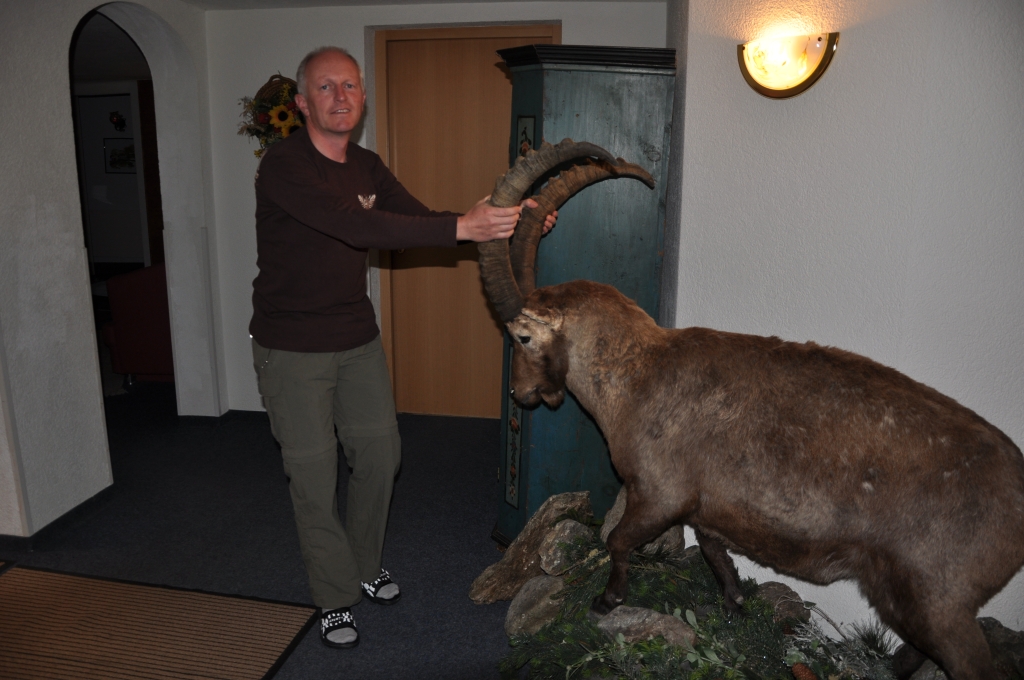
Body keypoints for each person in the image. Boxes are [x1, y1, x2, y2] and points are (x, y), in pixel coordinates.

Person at [250, 46, 555, 649]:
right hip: (291, 349)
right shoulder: (284, 166)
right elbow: (358, 227)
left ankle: (362, 566)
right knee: (313, 476)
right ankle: (334, 595)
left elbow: (416, 221)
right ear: (304, 103)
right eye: (327, 87)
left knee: (381, 455)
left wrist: (504, 220)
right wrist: (463, 227)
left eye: (351, 85)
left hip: (355, 338)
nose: (342, 96)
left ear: (362, 98)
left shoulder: (366, 165)